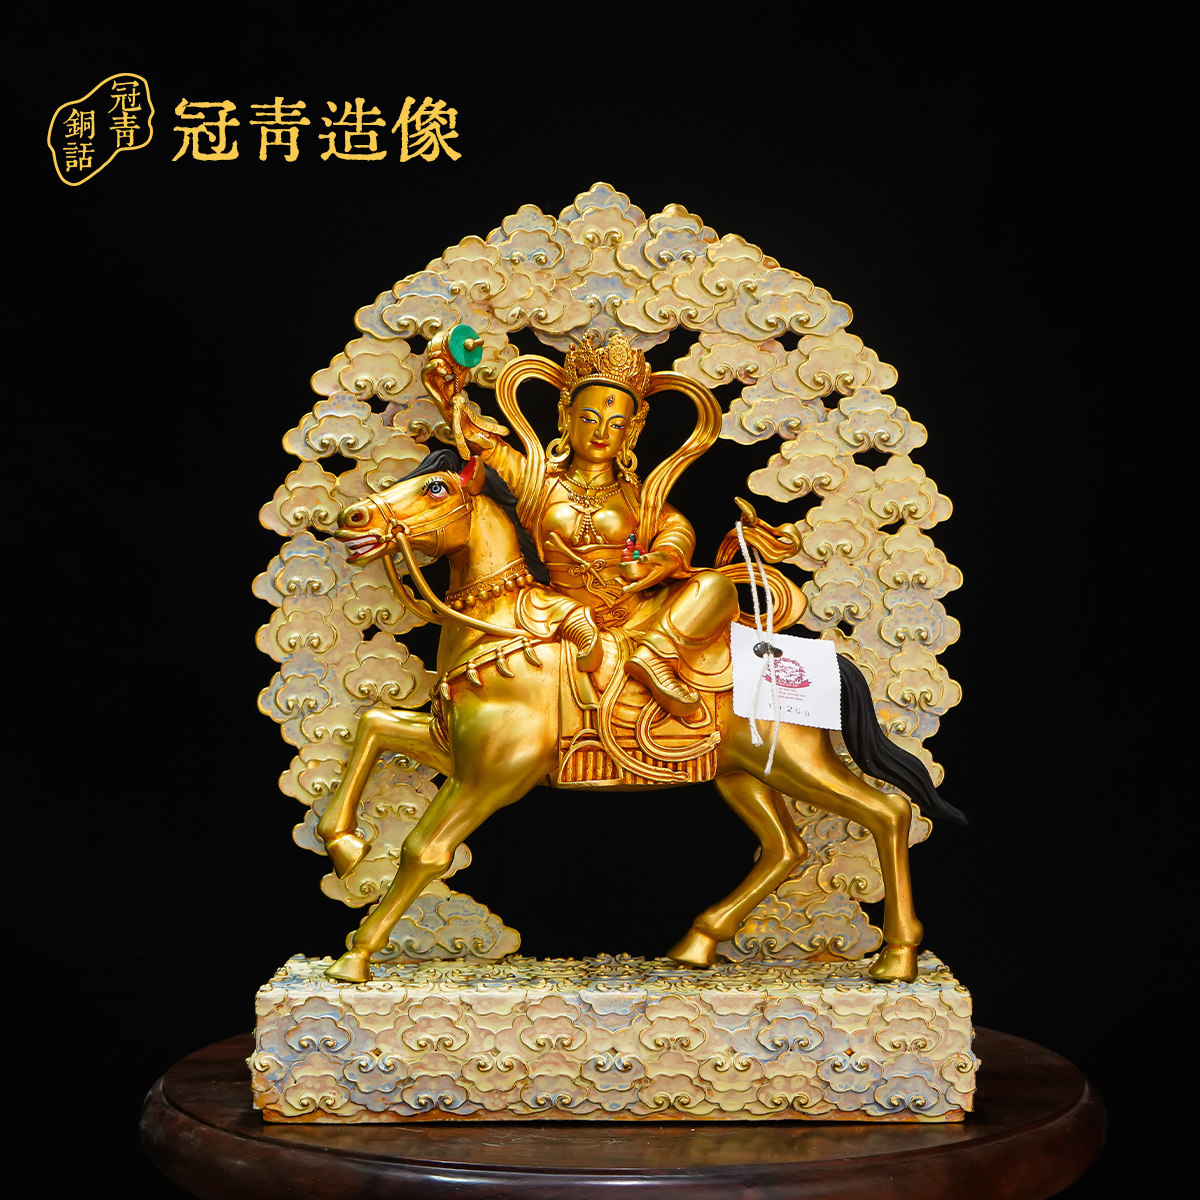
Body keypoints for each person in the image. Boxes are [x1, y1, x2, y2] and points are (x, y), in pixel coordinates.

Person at [422, 329, 738, 717]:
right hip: (555, 612)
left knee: (717, 587)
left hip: (634, 613)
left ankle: (655, 657)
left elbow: (677, 528)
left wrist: (661, 559)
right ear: (565, 417)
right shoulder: (536, 479)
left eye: (616, 424)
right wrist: (450, 398)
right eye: (589, 418)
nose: (602, 433)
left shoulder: (637, 496)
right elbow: (482, 442)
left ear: (631, 432)